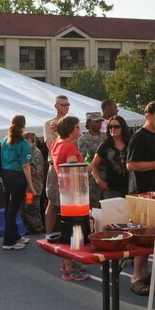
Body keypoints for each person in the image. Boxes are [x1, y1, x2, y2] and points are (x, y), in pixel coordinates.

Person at [126, 101, 155, 294]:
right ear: (148, 115)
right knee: (143, 235)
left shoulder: (154, 136)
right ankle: (136, 277)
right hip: (141, 192)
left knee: (151, 235)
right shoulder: (139, 137)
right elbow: (131, 165)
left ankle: (145, 272)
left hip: (153, 191)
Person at [50, 115, 87, 280]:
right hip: (74, 195)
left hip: (64, 193)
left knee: (69, 229)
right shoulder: (70, 147)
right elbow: (74, 173)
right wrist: (90, 166)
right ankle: (68, 268)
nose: (80, 130)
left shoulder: (56, 143)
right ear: (71, 129)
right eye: (78, 127)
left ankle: (69, 263)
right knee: (72, 230)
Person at [0, 115, 36, 251]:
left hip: (6, 174)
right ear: (23, 126)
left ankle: (14, 235)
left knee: (10, 206)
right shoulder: (23, 143)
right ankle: (8, 241)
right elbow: (26, 166)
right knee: (13, 208)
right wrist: (31, 185)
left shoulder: (5, 140)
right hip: (17, 176)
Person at [43, 95, 71, 233]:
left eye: (67, 105)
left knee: (71, 202)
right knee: (53, 202)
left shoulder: (73, 123)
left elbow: (78, 143)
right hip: (56, 166)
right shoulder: (49, 124)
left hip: (72, 167)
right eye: (62, 104)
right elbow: (51, 146)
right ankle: (48, 235)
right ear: (55, 106)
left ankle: (68, 234)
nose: (66, 107)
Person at [90, 115, 131, 199]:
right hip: (112, 189)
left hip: (131, 187)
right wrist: (99, 181)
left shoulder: (130, 143)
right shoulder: (105, 145)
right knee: (112, 212)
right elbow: (92, 166)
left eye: (116, 126)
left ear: (123, 127)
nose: (113, 129)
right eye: (110, 126)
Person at [78, 112, 105, 207]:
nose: (99, 124)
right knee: (94, 206)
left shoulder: (106, 137)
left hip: (107, 174)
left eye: (100, 121)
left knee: (108, 204)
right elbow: (84, 160)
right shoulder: (83, 140)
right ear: (88, 123)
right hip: (92, 177)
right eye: (96, 121)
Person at [22, 132, 45, 234]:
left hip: (33, 189)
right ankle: (30, 231)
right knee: (25, 211)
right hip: (27, 188)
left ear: (31, 141)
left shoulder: (36, 153)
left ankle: (37, 231)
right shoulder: (27, 152)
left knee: (31, 210)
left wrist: (23, 167)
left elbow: (36, 170)